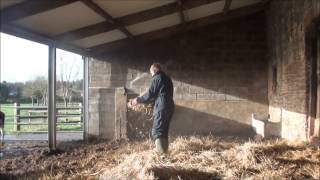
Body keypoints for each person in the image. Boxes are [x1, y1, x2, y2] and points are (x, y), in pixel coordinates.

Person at [130, 63, 174, 154]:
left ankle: (162, 156)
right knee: (164, 131)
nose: (151, 75)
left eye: (151, 73)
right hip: (170, 106)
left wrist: (137, 100)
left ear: (154, 70)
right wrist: (151, 104)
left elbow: (151, 94)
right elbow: (160, 94)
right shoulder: (167, 78)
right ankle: (166, 153)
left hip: (162, 107)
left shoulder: (157, 77)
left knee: (157, 131)